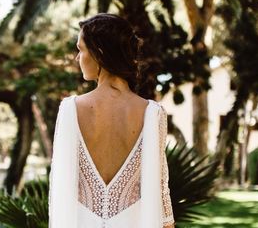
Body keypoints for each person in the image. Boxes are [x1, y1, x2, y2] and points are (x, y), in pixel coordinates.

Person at [48, 13, 175, 228]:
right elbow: (160, 193)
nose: (77, 58)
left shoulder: (70, 109)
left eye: (81, 49)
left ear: (99, 52)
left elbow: (60, 191)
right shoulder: (152, 113)